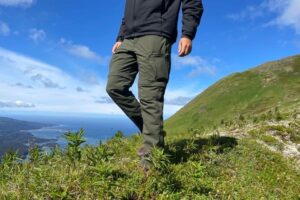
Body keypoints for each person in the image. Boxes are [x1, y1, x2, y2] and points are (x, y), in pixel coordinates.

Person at [106, 0, 204, 169]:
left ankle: (151, 162)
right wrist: (121, 36)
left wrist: (187, 34)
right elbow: (127, 13)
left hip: (155, 34)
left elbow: (192, 3)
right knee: (114, 87)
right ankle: (152, 132)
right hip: (128, 39)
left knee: (150, 96)